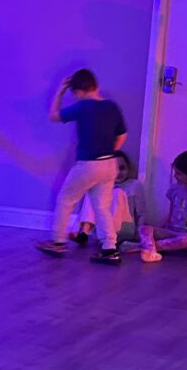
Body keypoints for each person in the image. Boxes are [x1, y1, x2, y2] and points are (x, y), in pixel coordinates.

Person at [38, 68, 127, 265]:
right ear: (97, 86)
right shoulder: (112, 107)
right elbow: (122, 135)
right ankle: (110, 249)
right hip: (109, 163)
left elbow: (53, 115)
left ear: (77, 92)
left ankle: (58, 242)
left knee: (66, 199)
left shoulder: (82, 107)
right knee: (102, 208)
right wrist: (109, 151)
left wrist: (60, 91)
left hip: (88, 164)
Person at [70, 150, 144, 253]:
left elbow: (141, 213)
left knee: (117, 192)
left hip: (125, 228)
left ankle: (109, 240)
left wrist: (140, 234)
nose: (118, 173)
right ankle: (84, 232)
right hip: (102, 230)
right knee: (93, 191)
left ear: (128, 168)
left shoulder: (134, 185)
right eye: (114, 169)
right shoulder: (104, 186)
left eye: (122, 168)